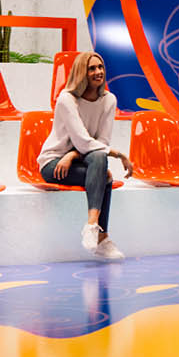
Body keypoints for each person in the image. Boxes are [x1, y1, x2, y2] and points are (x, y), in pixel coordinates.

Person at [37, 51, 130, 260]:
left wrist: (72, 155)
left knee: (99, 159)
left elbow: (101, 141)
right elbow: (82, 141)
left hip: (83, 158)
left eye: (100, 67)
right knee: (104, 175)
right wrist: (118, 154)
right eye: (91, 68)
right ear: (81, 73)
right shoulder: (67, 99)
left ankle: (92, 225)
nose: (98, 72)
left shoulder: (109, 100)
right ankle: (102, 237)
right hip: (53, 162)